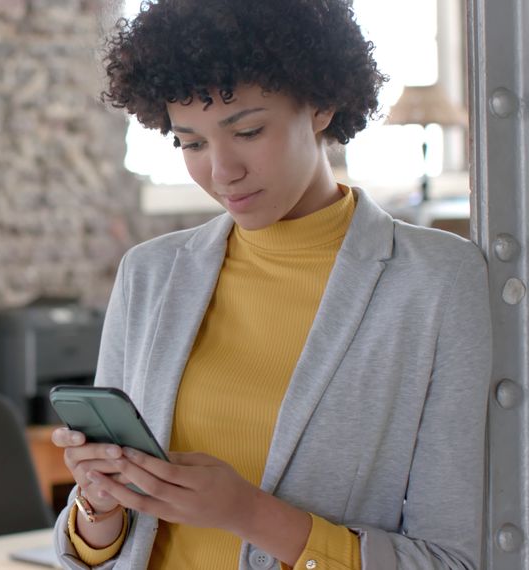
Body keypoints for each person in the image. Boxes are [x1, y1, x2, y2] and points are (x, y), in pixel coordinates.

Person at [51, 0, 492, 568]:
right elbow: (104, 550)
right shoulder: (149, 276)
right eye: (192, 143)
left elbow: (451, 560)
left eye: (249, 130)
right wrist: (98, 508)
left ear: (321, 105)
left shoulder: (438, 284)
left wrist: (250, 514)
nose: (221, 170)